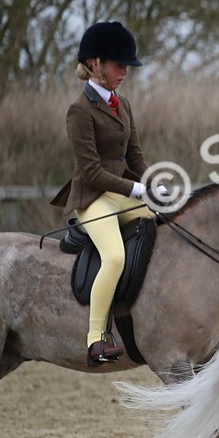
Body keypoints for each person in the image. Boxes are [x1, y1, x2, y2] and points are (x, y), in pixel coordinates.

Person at [49, 21, 167, 367]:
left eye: (127, 67)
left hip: (125, 194)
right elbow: (92, 172)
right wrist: (136, 188)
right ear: (96, 64)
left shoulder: (123, 104)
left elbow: (135, 158)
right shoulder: (79, 110)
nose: (125, 72)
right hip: (93, 197)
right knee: (114, 256)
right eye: (119, 66)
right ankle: (96, 337)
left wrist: (153, 184)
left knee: (164, 229)